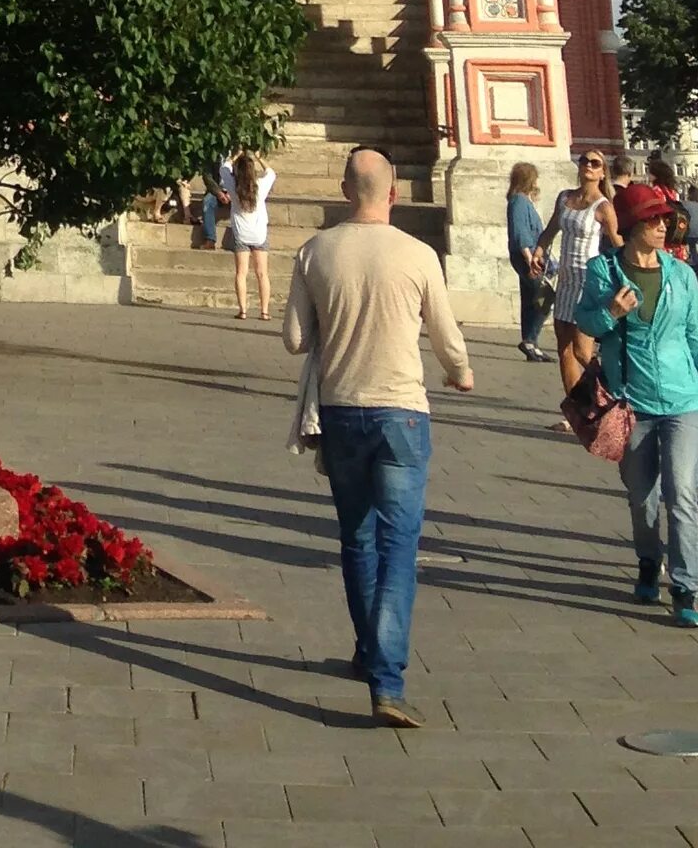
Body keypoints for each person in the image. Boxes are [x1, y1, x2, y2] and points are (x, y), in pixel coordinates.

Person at [284, 145, 474, 730]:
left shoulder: (315, 251)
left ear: (346, 191)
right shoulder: (418, 255)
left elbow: (294, 338)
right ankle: (388, 681)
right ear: (393, 193)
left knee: (357, 539)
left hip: (341, 411)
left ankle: (369, 653)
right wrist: (460, 371)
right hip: (402, 414)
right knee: (399, 546)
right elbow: (447, 338)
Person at [574, 179, 698, 627]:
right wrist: (612, 313)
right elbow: (583, 320)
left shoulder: (680, 274)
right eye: (653, 219)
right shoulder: (603, 271)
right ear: (630, 224)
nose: (663, 227)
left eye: (666, 219)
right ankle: (648, 561)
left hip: (684, 400)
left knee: (682, 493)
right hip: (632, 403)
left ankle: (686, 589)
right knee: (643, 499)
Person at [537, 146, 619, 391]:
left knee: (583, 351)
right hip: (565, 278)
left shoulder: (604, 207)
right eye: (584, 161)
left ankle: (610, 392)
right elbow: (551, 229)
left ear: (603, 173)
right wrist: (539, 250)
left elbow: (617, 244)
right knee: (564, 348)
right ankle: (575, 411)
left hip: (587, 279)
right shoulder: (565, 197)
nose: (588, 166)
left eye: (595, 163)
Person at [222, 149, 277, 321]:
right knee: (262, 273)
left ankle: (243, 310)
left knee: (241, 273)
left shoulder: (233, 187)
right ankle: (265, 311)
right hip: (259, 232)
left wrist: (236, 155)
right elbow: (271, 173)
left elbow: (224, 168)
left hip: (241, 233)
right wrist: (259, 158)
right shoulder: (260, 186)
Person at [507, 162, 554, 362]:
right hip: (528, 257)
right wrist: (530, 259)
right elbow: (520, 233)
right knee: (545, 297)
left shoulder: (522, 200)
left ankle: (530, 342)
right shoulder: (519, 201)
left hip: (530, 255)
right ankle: (530, 339)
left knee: (529, 299)